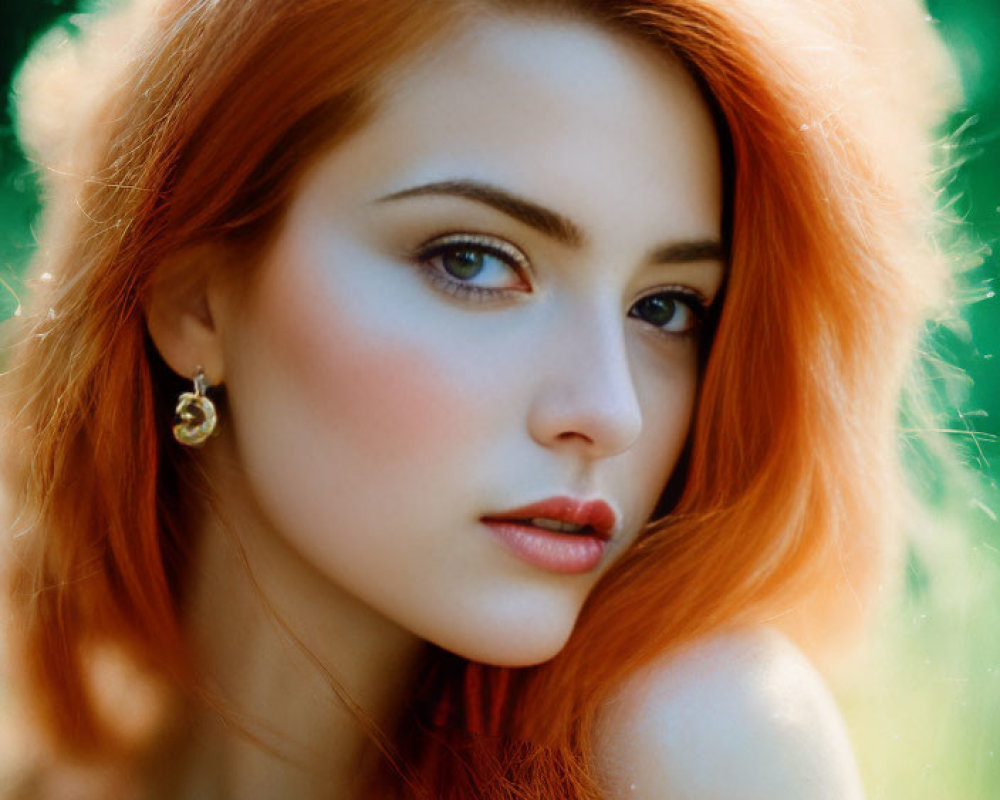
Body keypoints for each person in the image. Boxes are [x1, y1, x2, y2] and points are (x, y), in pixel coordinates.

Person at [0, 0, 957, 797]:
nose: (610, 410)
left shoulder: (701, 738)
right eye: (474, 261)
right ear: (195, 305)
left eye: (665, 307)